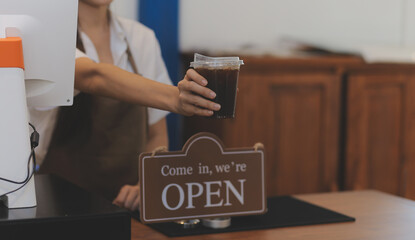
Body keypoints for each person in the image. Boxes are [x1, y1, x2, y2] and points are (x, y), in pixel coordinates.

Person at [30, 0, 219, 211]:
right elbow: (94, 77)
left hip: (128, 208)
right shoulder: (45, 34)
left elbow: (156, 134)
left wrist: (147, 183)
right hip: (57, 205)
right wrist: (176, 97)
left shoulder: (141, 38)